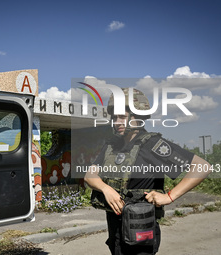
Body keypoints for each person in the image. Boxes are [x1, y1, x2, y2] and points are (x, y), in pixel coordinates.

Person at [84, 88, 211, 255]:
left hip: (140, 230)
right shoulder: (112, 145)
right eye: (114, 117)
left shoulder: (151, 144)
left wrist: (169, 196)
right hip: (115, 230)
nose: (117, 121)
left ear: (137, 116)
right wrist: (106, 189)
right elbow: (89, 176)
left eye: (122, 116)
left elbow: (202, 167)